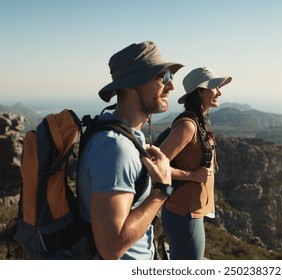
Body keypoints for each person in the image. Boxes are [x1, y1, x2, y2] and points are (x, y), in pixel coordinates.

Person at [77, 41, 183, 260]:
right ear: (132, 87)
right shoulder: (115, 148)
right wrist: (161, 191)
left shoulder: (125, 133)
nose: (171, 85)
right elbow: (111, 247)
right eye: (162, 77)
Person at [159, 67, 232, 259]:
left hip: (190, 212)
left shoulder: (201, 121)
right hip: (183, 213)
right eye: (215, 87)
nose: (219, 92)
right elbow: (157, 166)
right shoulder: (188, 126)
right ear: (200, 92)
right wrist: (192, 176)